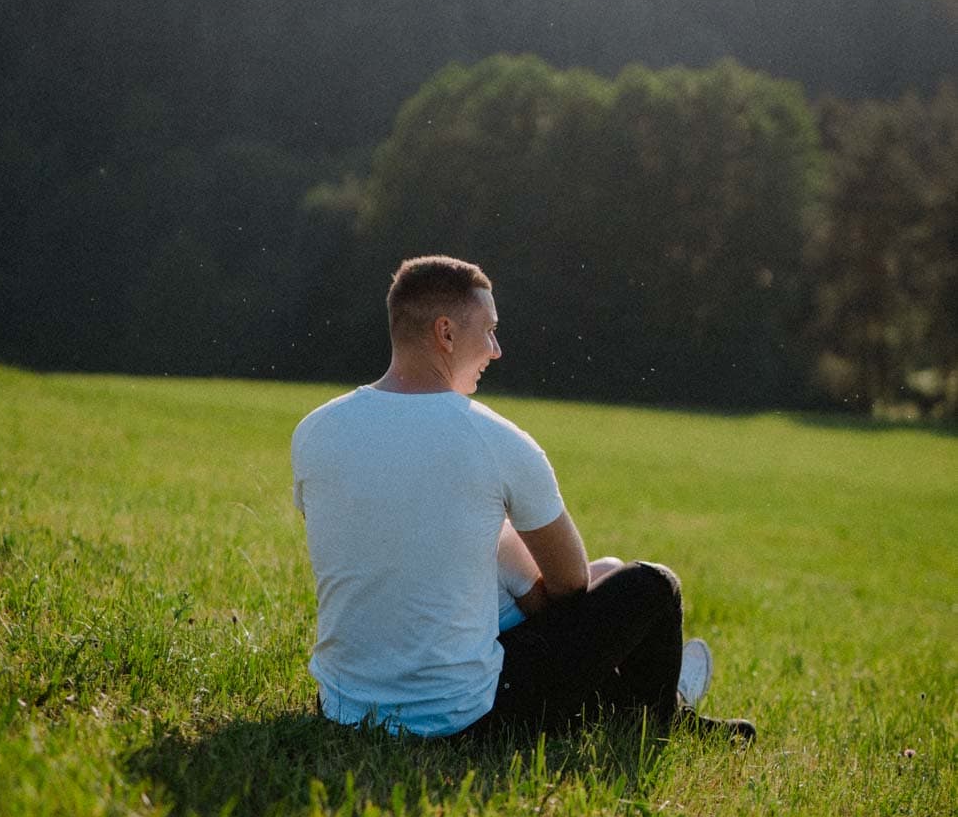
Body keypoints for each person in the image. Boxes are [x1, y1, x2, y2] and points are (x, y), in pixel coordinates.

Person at [291, 254, 755, 743]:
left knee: (529, 592)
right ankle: (659, 715)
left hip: (344, 704)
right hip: (460, 716)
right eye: (488, 330)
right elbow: (571, 583)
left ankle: (653, 697)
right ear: (446, 334)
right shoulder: (494, 438)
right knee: (652, 586)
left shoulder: (315, 430)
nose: (496, 350)